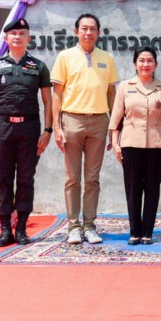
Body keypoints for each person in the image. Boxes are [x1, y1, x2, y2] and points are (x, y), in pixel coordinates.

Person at [0, 17, 53, 247]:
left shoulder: (38, 66)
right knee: (3, 178)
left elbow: (49, 102)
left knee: (25, 179)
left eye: (22, 34)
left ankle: (21, 228)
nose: (18, 37)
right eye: (13, 34)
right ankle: (4, 230)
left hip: (30, 128)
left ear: (28, 39)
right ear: (6, 38)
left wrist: (48, 131)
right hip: (3, 127)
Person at [51, 13, 119, 245]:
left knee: (92, 178)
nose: (88, 33)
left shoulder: (107, 58)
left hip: (100, 121)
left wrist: (114, 126)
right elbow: (56, 95)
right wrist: (56, 127)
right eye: (84, 28)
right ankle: (73, 226)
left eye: (92, 29)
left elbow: (112, 94)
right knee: (72, 178)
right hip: (72, 121)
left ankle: (89, 226)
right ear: (76, 31)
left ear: (99, 33)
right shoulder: (65, 57)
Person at [109, 46, 161, 245]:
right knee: (133, 188)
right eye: (141, 60)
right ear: (135, 64)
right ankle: (134, 231)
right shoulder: (125, 86)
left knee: (152, 189)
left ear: (156, 64)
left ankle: (147, 232)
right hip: (130, 144)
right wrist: (115, 142)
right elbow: (116, 118)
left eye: (149, 61)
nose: (145, 64)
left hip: (157, 144)